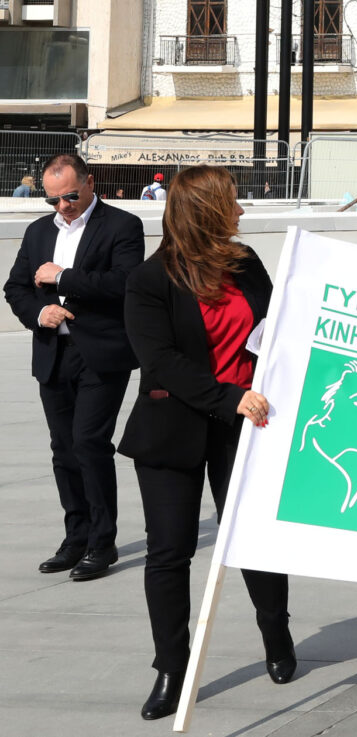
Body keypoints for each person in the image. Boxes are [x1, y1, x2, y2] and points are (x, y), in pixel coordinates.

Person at [118, 166, 293, 720]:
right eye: (232, 203)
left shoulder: (245, 264)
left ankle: (276, 635)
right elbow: (160, 361)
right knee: (169, 552)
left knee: (254, 541)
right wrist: (226, 395)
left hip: (246, 425)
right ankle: (172, 665)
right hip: (173, 429)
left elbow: (279, 327)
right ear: (207, 211)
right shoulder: (148, 280)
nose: (241, 212)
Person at [4, 152, 145, 580]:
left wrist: (63, 278)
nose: (62, 206)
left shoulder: (122, 225)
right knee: (63, 449)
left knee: (89, 443)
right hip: (53, 352)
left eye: (68, 196)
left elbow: (126, 282)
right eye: (53, 200)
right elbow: (15, 288)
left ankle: (102, 543)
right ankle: (76, 536)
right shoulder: (36, 233)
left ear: (89, 182)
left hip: (101, 354)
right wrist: (38, 314)